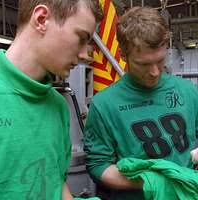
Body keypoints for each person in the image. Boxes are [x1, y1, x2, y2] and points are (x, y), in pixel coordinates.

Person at [83, 6, 198, 200]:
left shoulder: (188, 91)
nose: (154, 72)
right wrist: (152, 182)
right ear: (123, 55)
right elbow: (98, 165)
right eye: (143, 64)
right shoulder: (104, 105)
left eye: (160, 60)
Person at [0, 0, 102, 199]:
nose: (84, 55)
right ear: (41, 19)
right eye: (81, 38)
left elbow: (55, 181)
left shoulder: (58, 106)